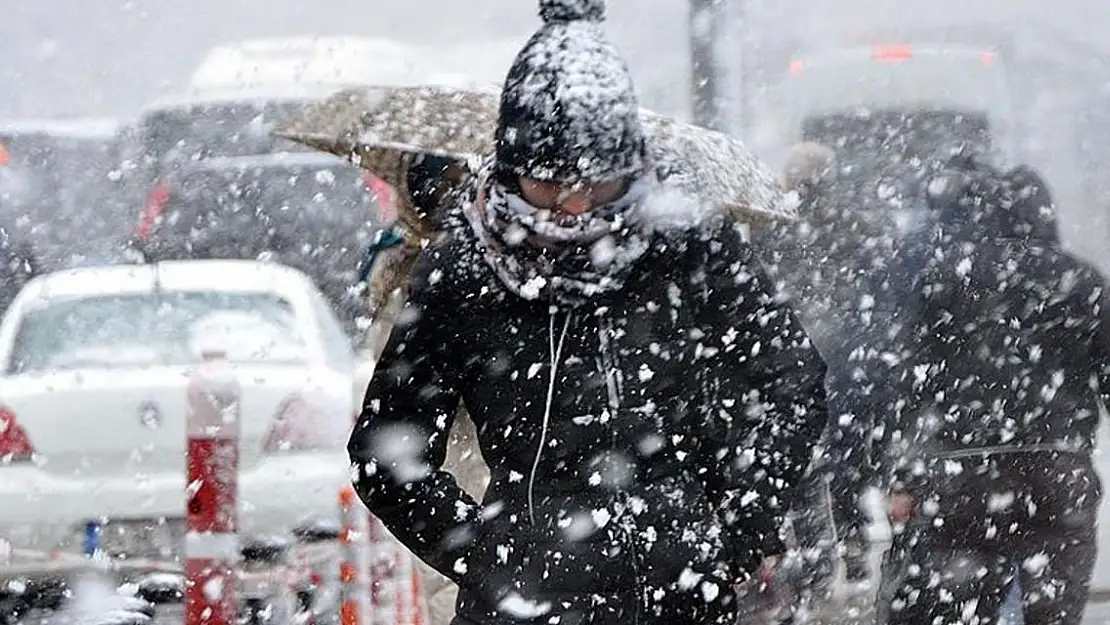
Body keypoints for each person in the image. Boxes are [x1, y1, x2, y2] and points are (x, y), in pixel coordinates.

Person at [347, 2, 830, 624]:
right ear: (511, 168)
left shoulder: (686, 244)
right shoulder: (461, 271)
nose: (574, 204)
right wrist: (488, 554)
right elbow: (387, 452)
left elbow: (791, 383)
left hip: (680, 594)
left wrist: (735, 529)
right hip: (521, 602)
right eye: (549, 182)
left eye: (595, 182)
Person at [874, 156, 1107, 625]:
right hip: (1055, 468)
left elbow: (906, 381)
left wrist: (899, 475)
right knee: (1051, 602)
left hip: (961, 470)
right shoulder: (1079, 281)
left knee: (958, 597)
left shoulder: (943, 279)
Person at [753, 142, 877, 600]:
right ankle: (854, 543)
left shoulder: (771, 222)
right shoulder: (851, 220)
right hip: (843, 355)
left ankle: (817, 565)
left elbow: (764, 284)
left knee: (807, 463)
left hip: (793, 355)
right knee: (848, 458)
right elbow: (868, 283)